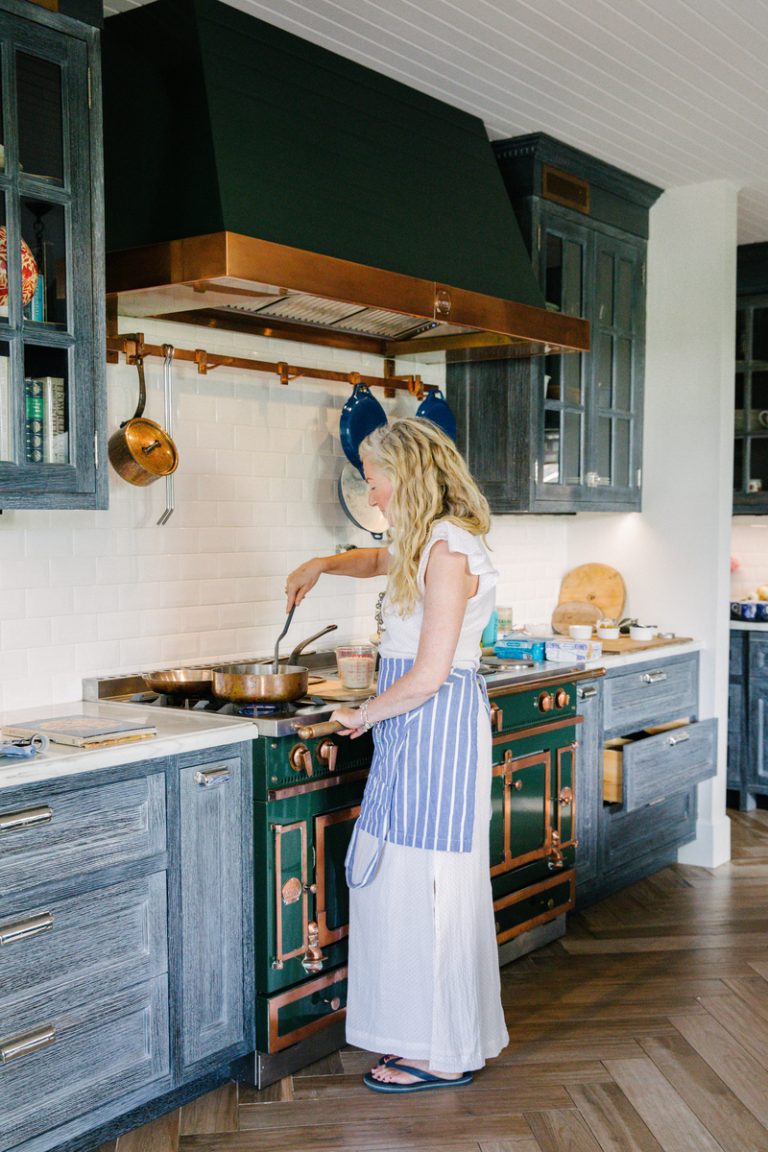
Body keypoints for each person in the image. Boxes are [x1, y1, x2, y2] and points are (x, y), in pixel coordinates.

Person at [284, 417, 508, 1094]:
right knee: (409, 883)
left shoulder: (447, 549)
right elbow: (373, 558)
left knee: (430, 890)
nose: (373, 494)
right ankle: (439, 1038)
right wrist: (322, 563)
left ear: (405, 475)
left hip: (433, 725)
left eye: (376, 478)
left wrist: (359, 713)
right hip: (416, 729)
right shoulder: (426, 539)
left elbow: (432, 671)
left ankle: (441, 1051)